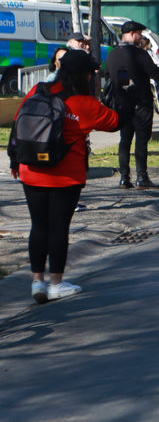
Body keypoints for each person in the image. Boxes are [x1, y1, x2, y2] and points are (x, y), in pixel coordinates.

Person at [7, 50, 119, 302]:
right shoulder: (83, 103)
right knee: (59, 227)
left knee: (38, 225)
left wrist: (14, 159)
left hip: (30, 169)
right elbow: (114, 122)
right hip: (65, 175)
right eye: (91, 73)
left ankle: (37, 282)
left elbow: (18, 124)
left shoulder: (37, 90)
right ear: (84, 75)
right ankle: (56, 283)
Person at [105, 20, 159, 190]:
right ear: (132, 34)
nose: (141, 37)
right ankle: (142, 177)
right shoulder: (139, 54)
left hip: (122, 105)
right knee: (141, 141)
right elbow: (158, 75)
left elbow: (109, 75)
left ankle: (124, 178)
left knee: (124, 141)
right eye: (139, 33)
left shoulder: (113, 54)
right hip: (141, 104)